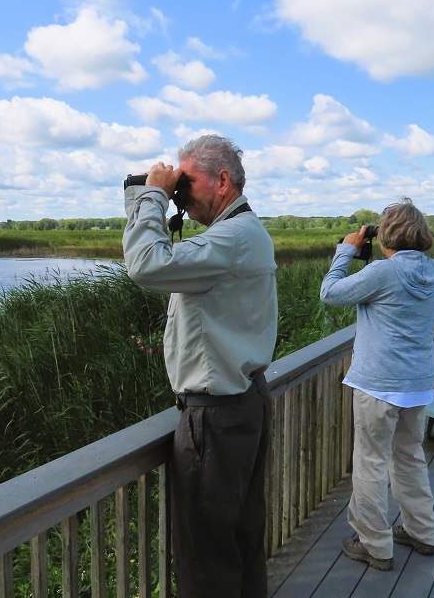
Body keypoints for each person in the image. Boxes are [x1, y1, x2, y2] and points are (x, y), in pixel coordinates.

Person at [122, 135, 278, 598]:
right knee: (238, 538)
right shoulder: (243, 233)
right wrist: (148, 196)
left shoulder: (231, 239)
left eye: (187, 182)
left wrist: (152, 195)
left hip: (216, 417)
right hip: (241, 403)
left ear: (223, 180)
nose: (181, 194)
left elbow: (146, 265)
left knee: (206, 554)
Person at [320, 198, 434, 571]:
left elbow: (330, 293)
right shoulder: (433, 271)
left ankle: (374, 544)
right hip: (416, 383)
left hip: (378, 385)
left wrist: (345, 250)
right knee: (409, 457)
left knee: (371, 464)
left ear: (387, 235)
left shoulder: (383, 273)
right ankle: (421, 531)